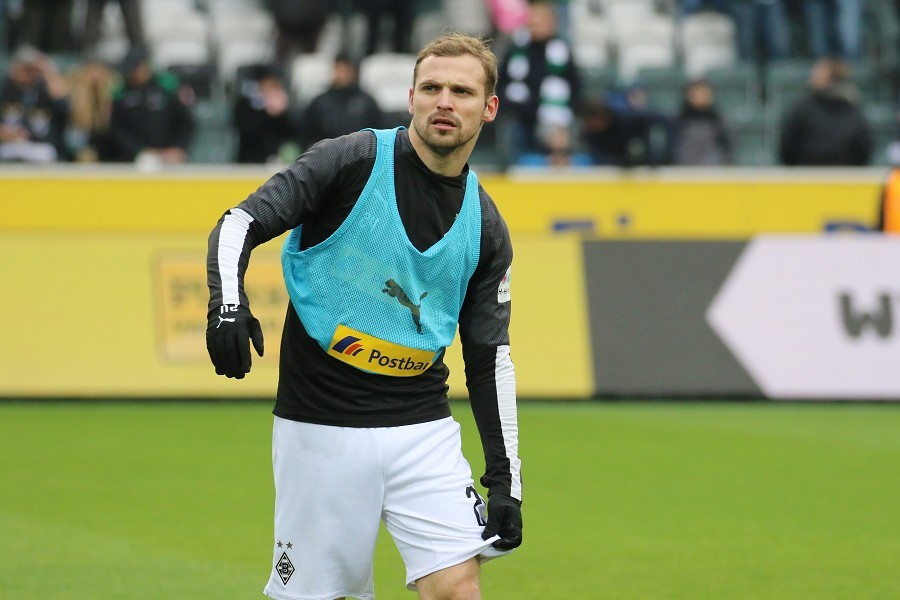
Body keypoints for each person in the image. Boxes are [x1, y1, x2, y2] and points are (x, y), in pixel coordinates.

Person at [204, 32, 523, 600]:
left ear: (489, 108)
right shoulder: (350, 160)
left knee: (458, 590)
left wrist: (505, 481)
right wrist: (227, 304)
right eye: (432, 88)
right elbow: (237, 224)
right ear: (411, 97)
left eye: (462, 91)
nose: (444, 101)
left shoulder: (486, 224)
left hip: (423, 428)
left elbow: (488, 358)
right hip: (320, 427)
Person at [497, 0, 580, 164]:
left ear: (551, 23)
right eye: (532, 21)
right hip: (519, 115)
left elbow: (574, 84)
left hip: (552, 118)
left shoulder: (561, 49)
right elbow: (502, 80)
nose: (535, 25)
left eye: (540, 21)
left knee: (558, 146)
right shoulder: (516, 48)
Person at [106, 46, 194, 164]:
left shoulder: (166, 87)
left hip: (169, 155)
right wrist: (139, 150)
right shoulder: (121, 92)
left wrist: (177, 147)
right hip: (133, 158)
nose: (134, 73)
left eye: (137, 68)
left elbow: (185, 122)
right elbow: (117, 129)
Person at [778, 57, 871, 166]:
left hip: (814, 176)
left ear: (830, 77)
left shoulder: (803, 108)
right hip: (836, 177)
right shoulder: (853, 109)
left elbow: (863, 147)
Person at [299, 51, 383, 148]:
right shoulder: (320, 103)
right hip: (326, 156)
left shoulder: (367, 103)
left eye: (346, 69)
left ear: (354, 71)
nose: (342, 74)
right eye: (339, 69)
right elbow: (305, 135)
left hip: (360, 156)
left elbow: (378, 135)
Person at [0, 46, 69, 163]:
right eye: (24, 69)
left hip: (40, 147)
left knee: (46, 153)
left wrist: (48, 70)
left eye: (31, 70)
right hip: (7, 147)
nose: (27, 74)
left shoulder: (44, 91)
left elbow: (64, 107)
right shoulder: (4, 89)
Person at [233, 64, 295, 164]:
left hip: (275, 161)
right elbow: (245, 129)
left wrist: (282, 112)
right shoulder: (245, 103)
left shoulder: (280, 103)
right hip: (249, 162)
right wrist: (267, 112)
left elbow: (290, 134)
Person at [672, 78, 733, 166]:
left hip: (712, 172)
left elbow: (728, 148)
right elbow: (673, 149)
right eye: (696, 94)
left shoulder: (718, 120)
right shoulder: (679, 120)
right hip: (684, 171)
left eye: (703, 94)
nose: (699, 97)